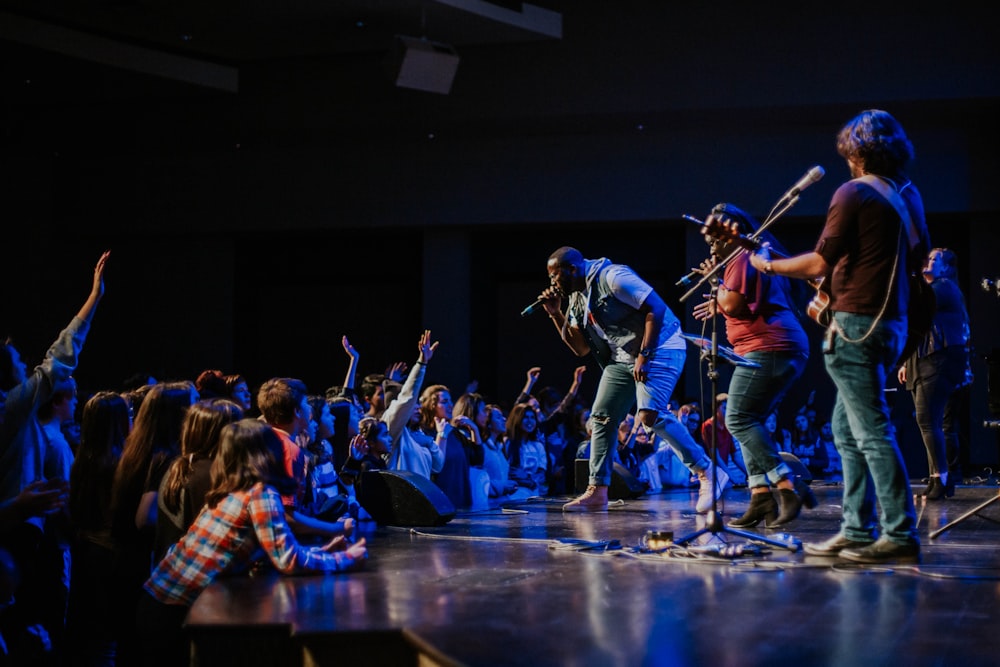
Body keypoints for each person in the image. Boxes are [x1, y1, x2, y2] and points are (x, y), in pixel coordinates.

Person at [748, 109, 928, 564]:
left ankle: (899, 534)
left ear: (858, 150)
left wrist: (767, 265)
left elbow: (819, 263)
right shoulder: (909, 197)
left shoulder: (853, 193)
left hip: (856, 326)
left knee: (870, 432)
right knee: (845, 430)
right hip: (892, 324)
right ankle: (855, 529)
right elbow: (911, 261)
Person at [136, 419, 367, 666]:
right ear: (268, 452)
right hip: (173, 609)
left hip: (159, 599)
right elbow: (287, 561)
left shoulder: (230, 489)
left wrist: (319, 551)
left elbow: (275, 550)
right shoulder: (260, 493)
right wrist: (345, 558)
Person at [535, 246, 726, 513]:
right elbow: (580, 349)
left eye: (555, 277)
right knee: (601, 417)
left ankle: (707, 471)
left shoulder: (613, 277)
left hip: (661, 346)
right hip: (622, 357)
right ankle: (598, 490)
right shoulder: (576, 297)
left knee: (650, 415)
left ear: (572, 270)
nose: (552, 283)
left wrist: (645, 355)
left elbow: (656, 308)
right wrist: (556, 313)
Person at [0, 250, 109, 664]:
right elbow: (60, 357)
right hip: (17, 533)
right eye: (16, 363)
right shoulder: (9, 409)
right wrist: (94, 298)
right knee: (33, 631)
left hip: (18, 529)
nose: (25, 365)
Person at [898, 248, 971, 500]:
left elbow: (915, 305)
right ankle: (936, 478)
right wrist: (907, 362)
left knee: (930, 420)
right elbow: (917, 329)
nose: (927, 262)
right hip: (924, 359)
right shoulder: (930, 288)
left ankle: (942, 478)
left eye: (933, 259)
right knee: (927, 421)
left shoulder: (944, 287)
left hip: (939, 359)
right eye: (927, 258)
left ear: (946, 268)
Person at [154, 398, 245, 562]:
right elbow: (220, 541)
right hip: (199, 577)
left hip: (171, 571)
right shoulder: (211, 476)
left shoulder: (179, 467)